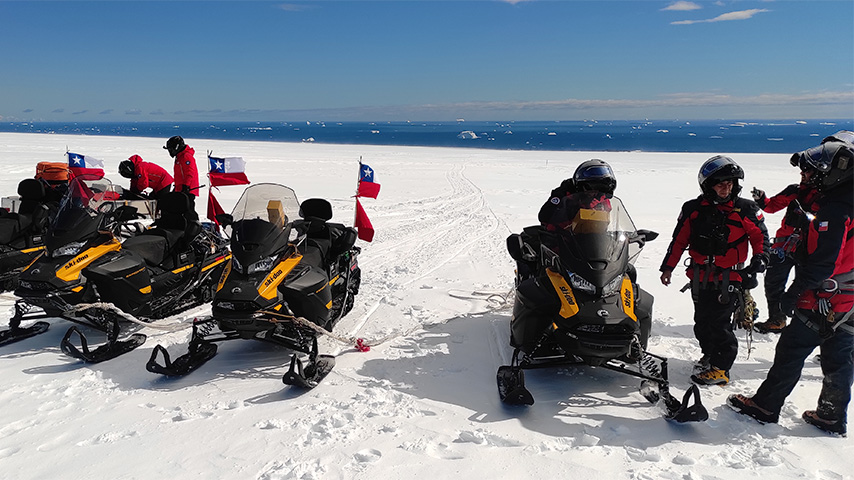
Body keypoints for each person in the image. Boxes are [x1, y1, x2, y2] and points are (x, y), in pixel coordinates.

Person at [727, 140, 854, 436]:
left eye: (811, 173)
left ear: (834, 172)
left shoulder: (834, 209)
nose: (806, 177)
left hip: (823, 298)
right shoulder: (846, 199)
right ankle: (831, 416)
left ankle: (765, 406)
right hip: (847, 299)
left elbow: (823, 264)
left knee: (791, 350)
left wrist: (793, 294)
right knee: (839, 359)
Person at [659, 155, 769, 386]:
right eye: (720, 182)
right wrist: (668, 267)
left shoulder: (746, 209)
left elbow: (760, 237)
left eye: (729, 182)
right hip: (700, 276)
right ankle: (709, 354)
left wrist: (759, 261)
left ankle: (720, 369)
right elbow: (679, 240)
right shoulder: (693, 209)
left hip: (730, 276)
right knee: (702, 321)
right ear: (708, 185)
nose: (725, 187)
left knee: (720, 323)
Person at [751, 163, 821, 333]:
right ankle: (777, 319)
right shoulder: (794, 191)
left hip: (809, 249)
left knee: (805, 288)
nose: (802, 173)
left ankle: (804, 324)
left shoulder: (829, 198)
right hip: (783, 247)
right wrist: (762, 199)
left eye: (807, 171)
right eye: (802, 170)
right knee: (773, 283)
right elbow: (772, 206)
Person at [538, 159, 616, 225]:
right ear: (581, 185)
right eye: (590, 188)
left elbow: (607, 222)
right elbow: (545, 216)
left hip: (593, 239)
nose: (594, 193)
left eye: (600, 189)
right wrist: (570, 213)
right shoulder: (564, 195)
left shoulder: (603, 200)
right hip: (562, 237)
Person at [164, 135, 199, 220]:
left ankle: (194, 227)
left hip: (188, 189)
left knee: (188, 209)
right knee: (177, 208)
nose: (170, 152)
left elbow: (189, 172)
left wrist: (186, 185)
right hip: (180, 188)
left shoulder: (186, 156)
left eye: (170, 149)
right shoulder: (179, 157)